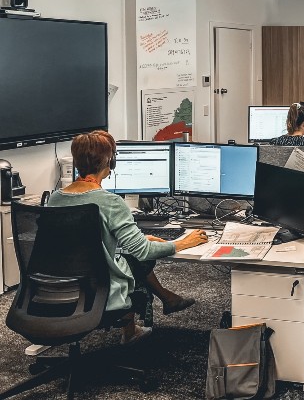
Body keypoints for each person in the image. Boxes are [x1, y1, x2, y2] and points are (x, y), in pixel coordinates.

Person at [48, 130, 208, 344]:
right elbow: (143, 252)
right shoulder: (111, 202)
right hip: (100, 290)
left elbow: (84, 246)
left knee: (131, 253)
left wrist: (140, 239)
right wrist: (181, 243)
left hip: (59, 289)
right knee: (139, 259)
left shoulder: (56, 198)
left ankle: (160, 305)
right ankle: (132, 329)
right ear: (110, 161)